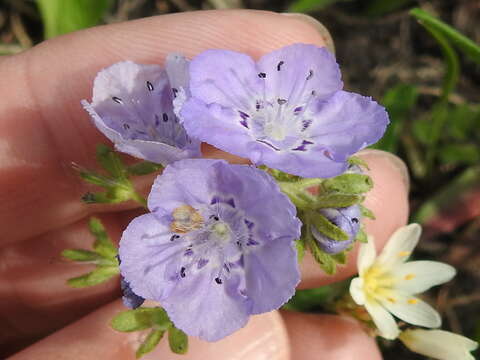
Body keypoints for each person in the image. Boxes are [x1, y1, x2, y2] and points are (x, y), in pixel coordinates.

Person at [0, 10, 410, 360]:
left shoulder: (251, 192)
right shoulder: (208, 176)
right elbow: (204, 187)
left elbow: (246, 200)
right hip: (210, 188)